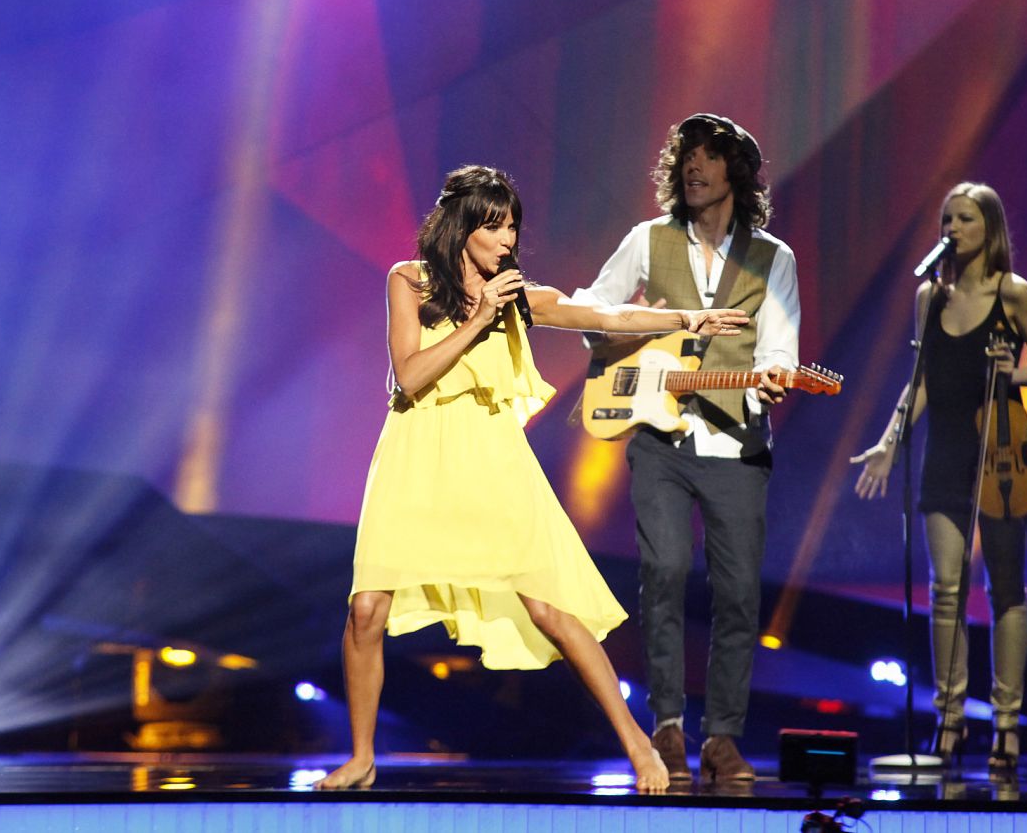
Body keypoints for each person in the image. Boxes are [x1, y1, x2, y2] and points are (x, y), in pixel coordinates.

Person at [316, 165, 748, 793]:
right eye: (496, 224)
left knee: (549, 606)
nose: (508, 236)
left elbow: (605, 316)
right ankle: (361, 757)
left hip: (490, 455)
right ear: (464, 225)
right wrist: (475, 319)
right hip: (415, 448)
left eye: (514, 224)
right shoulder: (408, 281)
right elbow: (407, 377)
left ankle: (640, 745)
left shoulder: (519, 297)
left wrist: (685, 319)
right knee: (367, 608)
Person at [574, 114, 799, 782]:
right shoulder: (648, 241)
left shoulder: (772, 257)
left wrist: (776, 376)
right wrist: (636, 349)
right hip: (659, 439)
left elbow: (780, 347)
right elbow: (593, 311)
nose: (693, 168)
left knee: (736, 594)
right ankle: (667, 727)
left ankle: (723, 734)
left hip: (736, 441)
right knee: (664, 572)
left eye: (707, 157)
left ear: (736, 170)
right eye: (686, 157)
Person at [851, 182, 1027, 773]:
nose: (951, 228)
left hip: (1000, 451)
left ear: (987, 228)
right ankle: (949, 717)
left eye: (963, 219)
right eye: (946, 218)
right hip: (944, 452)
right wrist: (889, 443)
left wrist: (1011, 373)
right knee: (946, 590)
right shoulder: (930, 297)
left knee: (1004, 591)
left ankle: (1007, 722)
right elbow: (919, 379)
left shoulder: (1013, 293)